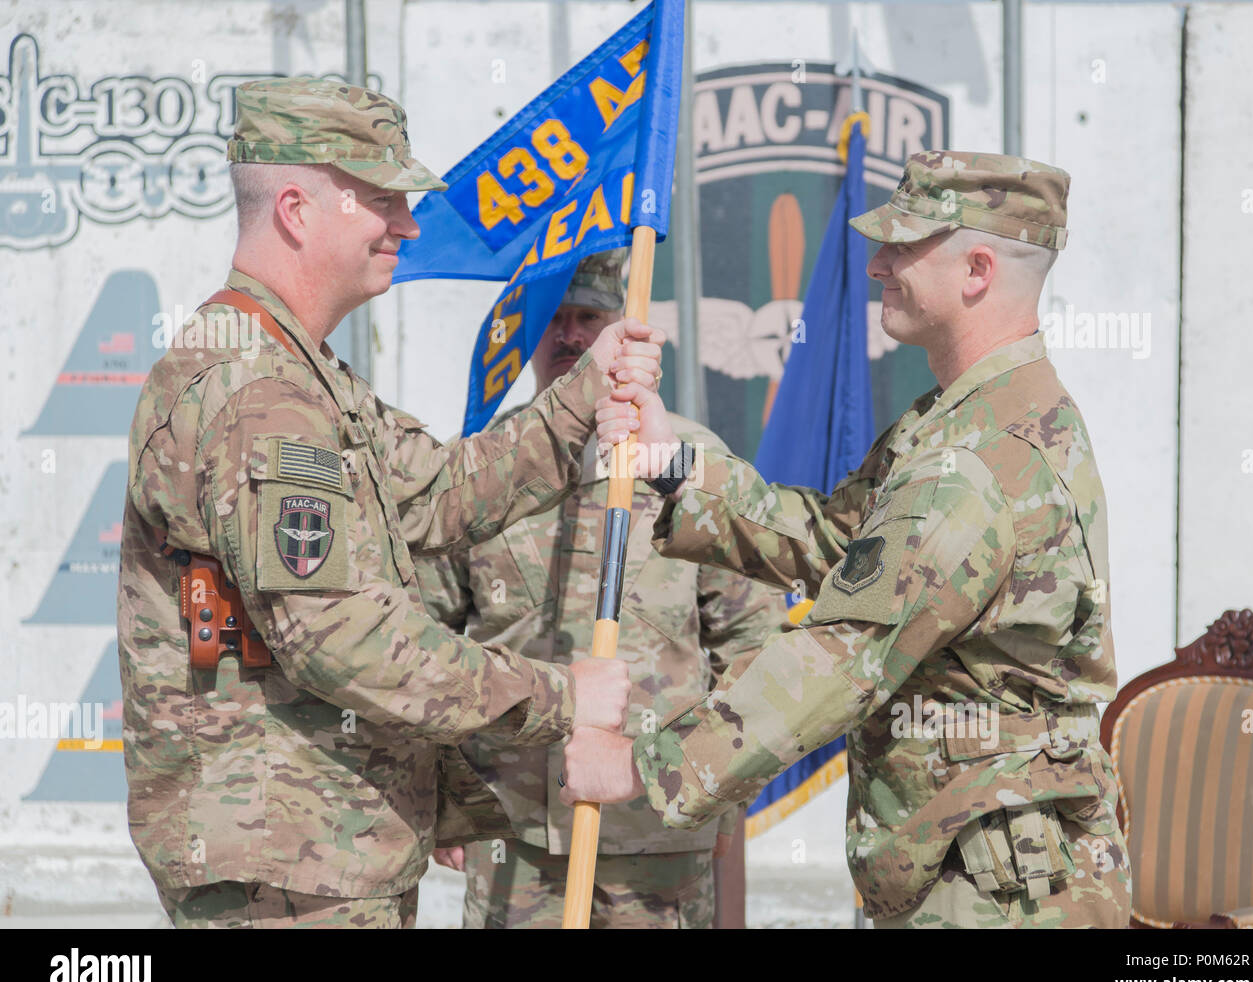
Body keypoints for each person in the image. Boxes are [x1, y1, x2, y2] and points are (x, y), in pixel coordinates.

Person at [116, 77, 662, 928]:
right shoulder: (257, 393)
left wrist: (579, 401)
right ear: (297, 210)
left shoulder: (299, 373)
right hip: (286, 871)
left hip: (315, 855)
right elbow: (342, 638)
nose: (406, 223)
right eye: (381, 199)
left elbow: (439, 492)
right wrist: (561, 697)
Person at [566, 151, 1134, 929]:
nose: (875, 266)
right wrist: (677, 471)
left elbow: (842, 655)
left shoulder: (975, 463)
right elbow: (843, 546)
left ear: (976, 270)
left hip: (997, 897)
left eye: (903, 245)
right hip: (974, 861)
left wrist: (639, 764)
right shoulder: (965, 421)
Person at [421, 251, 785, 928]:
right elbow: (426, 637)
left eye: (589, 318)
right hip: (513, 830)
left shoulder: (690, 464)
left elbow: (753, 644)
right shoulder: (478, 468)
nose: (570, 336)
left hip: (655, 825)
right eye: (555, 319)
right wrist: (440, 791)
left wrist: (723, 785)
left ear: (624, 328)